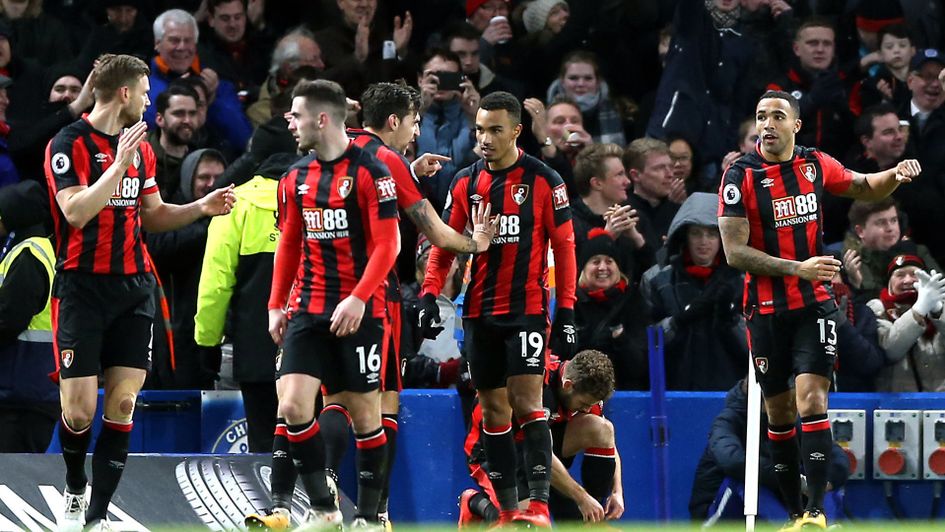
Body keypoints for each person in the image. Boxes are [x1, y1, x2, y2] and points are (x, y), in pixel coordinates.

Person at [44, 54, 235, 531]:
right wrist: (118, 166)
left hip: (133, 288)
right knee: (79, 409)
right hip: (81, 288)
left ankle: (98, 515)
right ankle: (73, 488)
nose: (151, 102)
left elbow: (152, 215)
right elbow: (75, 213)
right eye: (146, 93)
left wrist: (200, 207)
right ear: (124, 93)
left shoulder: (142, 150)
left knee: (124, 404)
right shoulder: (67, 145)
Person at [718, 89, 921, 530]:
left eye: (776, 116)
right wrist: (800, 266)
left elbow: (865, 185)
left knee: (812, 398)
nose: (767, 124)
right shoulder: (739, 175)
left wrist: (896, 174)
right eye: (760, 116)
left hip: (812, 304)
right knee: (779, 413)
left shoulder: (813, 164)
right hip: (764, 308)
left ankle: (814, 510)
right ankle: (796, 511)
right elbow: (734, 253)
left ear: (796, 126)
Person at [420, 91, 577, 527]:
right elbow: (445, 244)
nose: (485, 138)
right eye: (480, 130)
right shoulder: (465, 182)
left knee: (528, 403)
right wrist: (431, 292)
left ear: (516, 132)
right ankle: (509, 512)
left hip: (525, 310)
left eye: (495, 130)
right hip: (479, 313)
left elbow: (564, 248)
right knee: (493, 412)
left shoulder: (545, 180)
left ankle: (540, 507)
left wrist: (565, 311)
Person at [265, 79, 399, 529]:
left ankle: (369, 517)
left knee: (365, 417)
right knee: (293, 407)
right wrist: (276, 304)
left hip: (360, 312)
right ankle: (325, 509)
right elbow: (289, 243)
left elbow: (388, 245)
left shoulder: (370, 173)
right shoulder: (294, 177)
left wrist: (359, 298)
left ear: (322, 119)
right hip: (308, 309)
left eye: (296, 114)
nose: (290, 122)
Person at [195, 153, 296, 454]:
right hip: (311, 344)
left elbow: (216, 281)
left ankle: (274, 499)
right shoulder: (319, 199)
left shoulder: (235, 204)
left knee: (265, 441)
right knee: (309, 438)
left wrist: (207, 341)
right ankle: (319, 500)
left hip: (255, 345)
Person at [459, 350, 624, 526]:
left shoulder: (582, 391)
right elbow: (537, 449)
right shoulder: (533, 385)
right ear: (568, 385)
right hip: (495, 453)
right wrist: (581, 497)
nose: (584, 410)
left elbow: (609, 442)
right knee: (524, 526)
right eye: (583, 404)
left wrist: (617, 492)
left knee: (602, 428)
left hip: (539, 452)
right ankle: (475, 503)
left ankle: (594, 520)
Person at [689, 379, 851, 523]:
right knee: (748, 478)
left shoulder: (791, 421)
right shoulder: (727, 422)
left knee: (817, 471)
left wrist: (821, 484)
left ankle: (824, 524)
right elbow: (733, 461)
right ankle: (788, 526)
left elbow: (837, 458)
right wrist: (792, 480)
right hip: (717, 519)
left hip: (782, 511)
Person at [641, 192, 746, 392]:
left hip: (732, 394)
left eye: (712, 234)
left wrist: (731, 320)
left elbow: (758, 346)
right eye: (696, 233)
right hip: (673, 392)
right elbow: (645, 343)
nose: (703, 241)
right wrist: (679, 321)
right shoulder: (657, 279)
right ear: (684, 236)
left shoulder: (743, 280)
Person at [0, 180, 58, 453]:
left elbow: (8, 319)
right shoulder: (36, 249)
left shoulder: (29, 254)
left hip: (21, 394)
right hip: (31, 389)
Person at [574, 228, 648, 390]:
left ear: (618, 268)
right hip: (581, 396)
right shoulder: (571, 304)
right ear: (583, 269)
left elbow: (641, 365)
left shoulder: (633, 301)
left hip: (627, 395)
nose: (602, 268)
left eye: (609, 261)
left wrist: (620, 340)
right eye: (595, 261)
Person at [867, 254, 945, 391]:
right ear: (889, 282)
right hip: (899, 404)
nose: (908, 280)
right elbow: (891, 350)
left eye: (914, 274)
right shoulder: (877, 308)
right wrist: (919, 309)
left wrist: (938, 311)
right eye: (900, 275)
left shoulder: (940, 305)